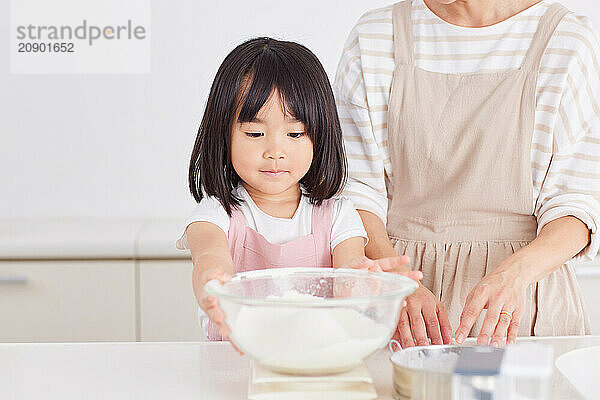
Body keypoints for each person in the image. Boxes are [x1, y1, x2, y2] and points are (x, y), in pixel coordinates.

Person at [335, 0, 600, 348]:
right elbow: (355, 192)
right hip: (403, 305)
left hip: (521, 305)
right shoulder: (375, 36)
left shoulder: (565, 39)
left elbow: (577, 205)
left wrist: (515, 274)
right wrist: (397, 282)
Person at [176, 37, 421, 342]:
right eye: (255, 133)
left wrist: (364, 281)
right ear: (223, 134)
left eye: (294, 133)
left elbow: (347, 277)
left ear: (319, 136)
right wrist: (213, 283)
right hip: (236, 365)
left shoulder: (338, 215)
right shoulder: (215, 215)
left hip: (319, 364)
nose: (275, 151)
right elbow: (210, 258)